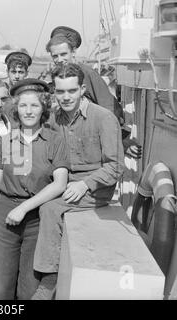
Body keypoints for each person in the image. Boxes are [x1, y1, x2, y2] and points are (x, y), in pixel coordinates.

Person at [32, 63, 125, 300]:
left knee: (50, 208)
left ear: (82, 89)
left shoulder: (103, 118)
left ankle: (48, 279)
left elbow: (116, 167)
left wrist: (85, 184)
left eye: (71, 91)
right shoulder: (54, 119)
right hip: (64, 180)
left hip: (95, 188)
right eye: (60, 92)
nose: (66, 97)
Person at [0, 79, 70, 300]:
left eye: (34, 106)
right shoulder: (4, 141)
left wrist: (24, 208)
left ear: (44, 109)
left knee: (30, 288)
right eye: (23, 106)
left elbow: (60, 183)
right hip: (5, 216)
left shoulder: (55, 140)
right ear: (16, 108)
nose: (28, 111)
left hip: (37, 218)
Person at [46, 26, 142, 159]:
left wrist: (121, 139)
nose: (60, 59)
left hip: (89, 139)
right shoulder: (56, 76)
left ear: (73, 52)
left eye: (63, 54)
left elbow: (108, 106)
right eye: (55, 56)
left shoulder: (86, 73)